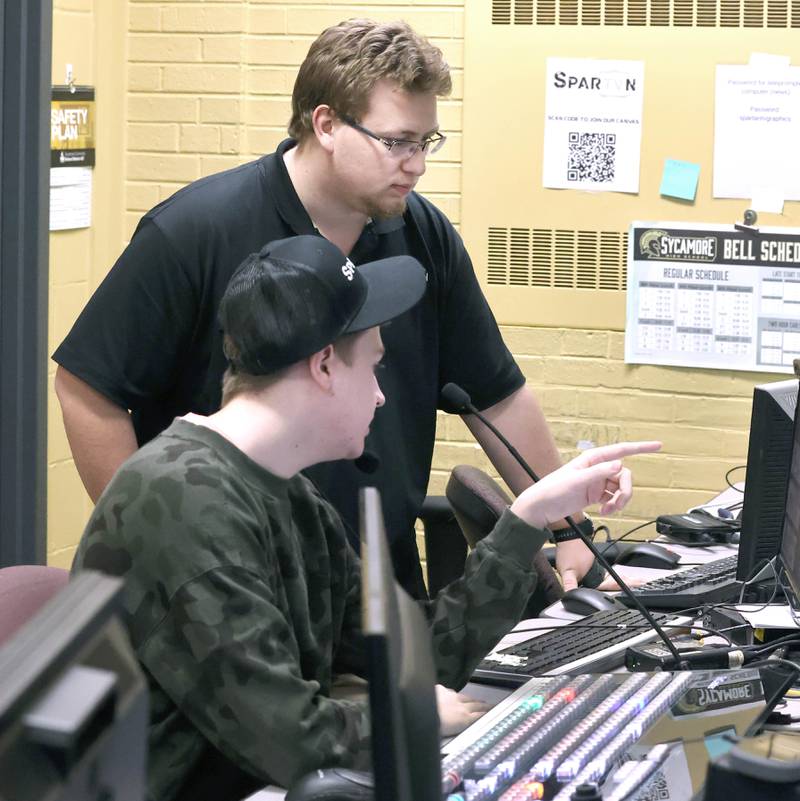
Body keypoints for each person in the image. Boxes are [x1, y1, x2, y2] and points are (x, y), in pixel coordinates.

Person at [71, 235, 660, 801]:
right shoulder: (183, 506)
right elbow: (290, 740)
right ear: (325, 366)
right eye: (373, 366)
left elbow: (421, 655)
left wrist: (532, 513)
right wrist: (408, 716)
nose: (380, 395)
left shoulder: (284, 491)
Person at [56, 18, 599, 598]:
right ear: (327, 124)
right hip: (233, 584)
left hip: (376, 582)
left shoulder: (425, 237)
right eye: (396, 142)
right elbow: (89, 391)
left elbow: (497, 394)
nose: (416, 164)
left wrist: (571, 530)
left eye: (426, 142)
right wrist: (156, 548)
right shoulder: (194, 231)